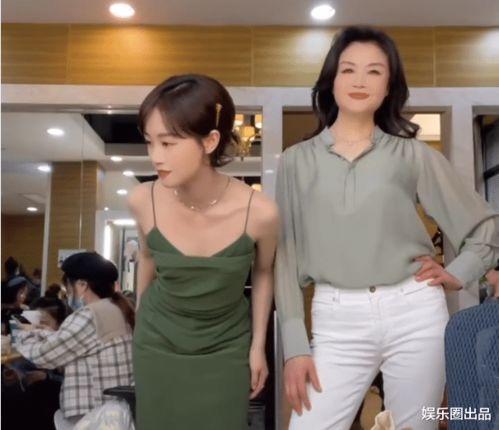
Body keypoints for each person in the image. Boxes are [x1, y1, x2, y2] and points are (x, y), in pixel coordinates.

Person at [274, 26, 499, 430]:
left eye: (374, 71)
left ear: (389, 85)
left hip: (415, 311)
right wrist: (294, 347)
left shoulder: (412, 154)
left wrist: (458, 273)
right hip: (335, 319)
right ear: (331, 80)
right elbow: (286, 259)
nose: (360, 80)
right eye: (348, 69)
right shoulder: (295, 161)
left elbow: (485, 225)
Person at [129, 74, 279, 430]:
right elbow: (147, 259)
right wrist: (138, 323)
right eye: (150, 142)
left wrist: (258, 346)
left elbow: (263, 272)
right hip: (157, 342)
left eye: (168, 143)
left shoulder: (260, 212)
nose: (155, 157)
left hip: (225, 346)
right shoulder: (143, 200)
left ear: (210, 141)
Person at [15, 252, 134, 429]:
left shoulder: (89, 315)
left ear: (82, 285)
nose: (68, 295)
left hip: (93, 415)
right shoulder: (117, 309)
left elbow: (43, 355)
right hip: (114, 412)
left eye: (68, 289)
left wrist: (20, 334)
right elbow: (77, 342)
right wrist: (44, 332)